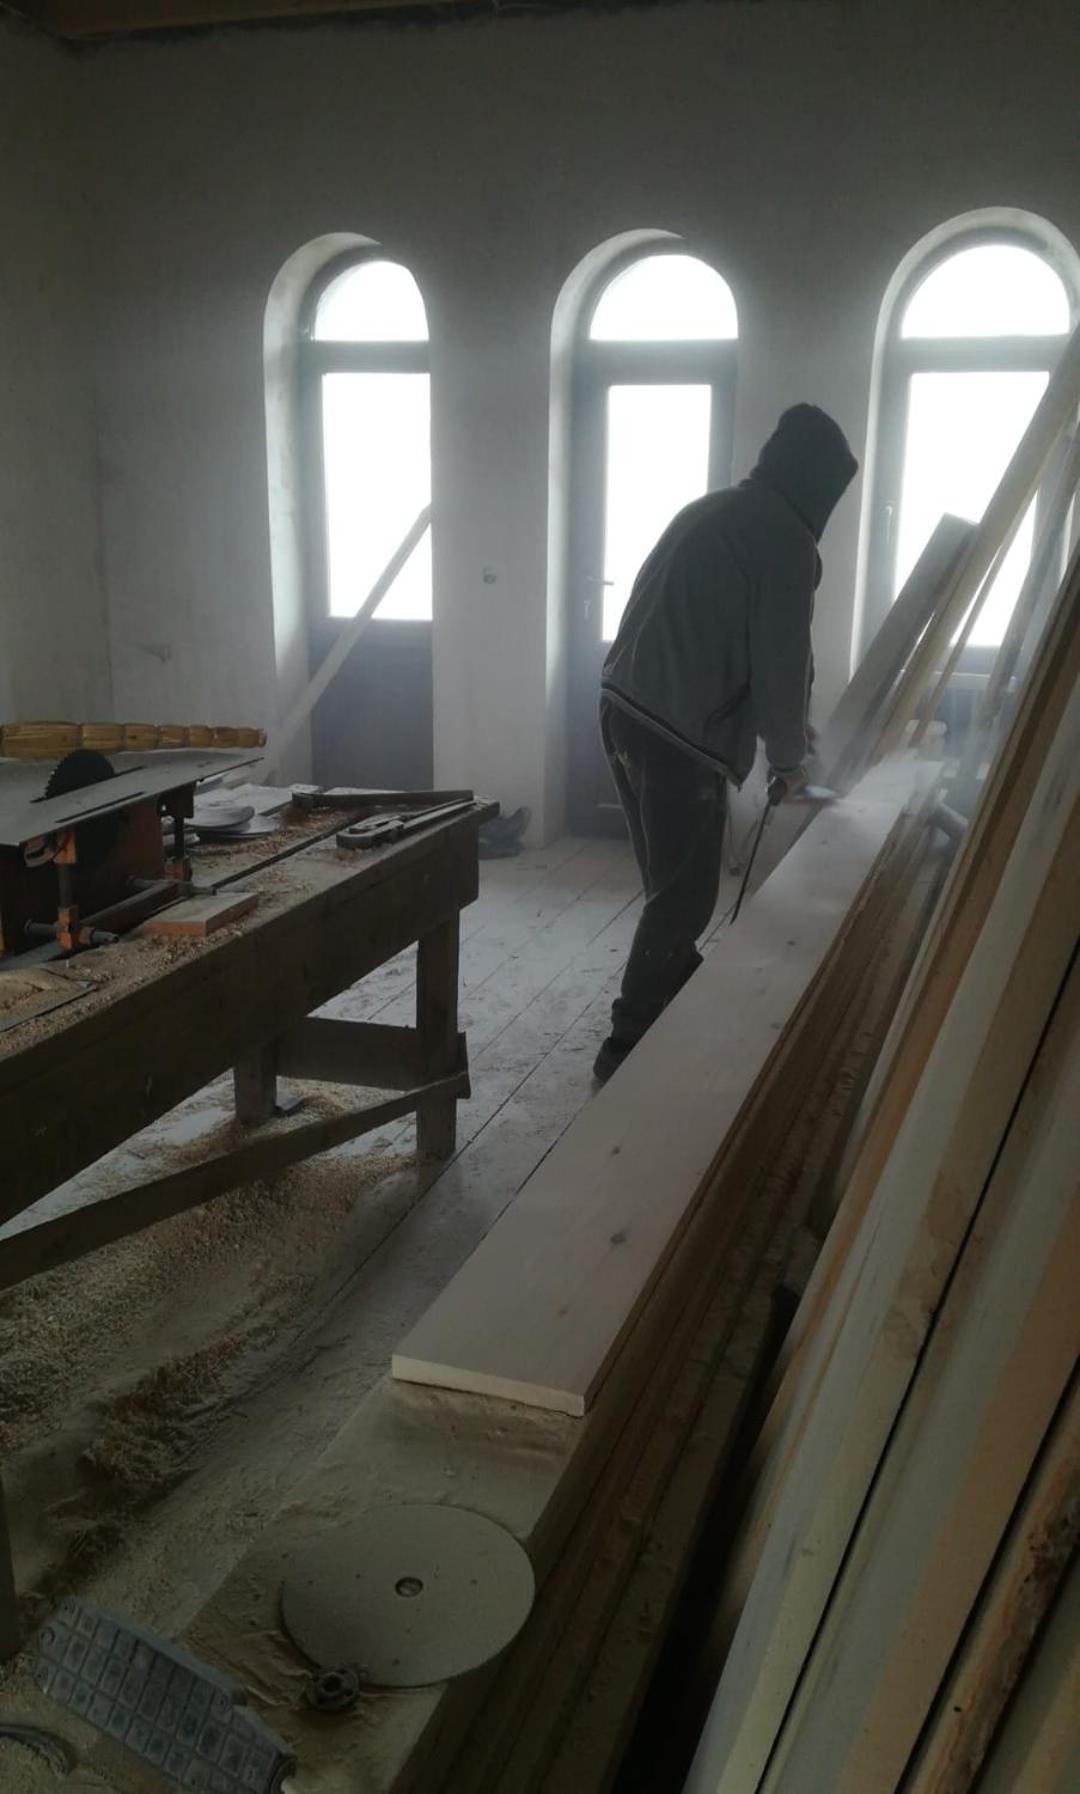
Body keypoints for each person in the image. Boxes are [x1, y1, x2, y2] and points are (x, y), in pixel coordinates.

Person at [593, 403, 858, 1084]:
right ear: (817, 485)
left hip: (623, 708)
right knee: (685, 899)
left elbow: (742, 643)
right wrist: (791, 763)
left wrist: (789, 730)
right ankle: (627, 1043)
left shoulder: (710, 509)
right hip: (676, 734)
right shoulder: (788, 539)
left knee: (669, 883)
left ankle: (679, 990)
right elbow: (780, 660)